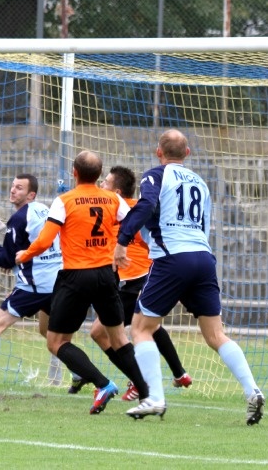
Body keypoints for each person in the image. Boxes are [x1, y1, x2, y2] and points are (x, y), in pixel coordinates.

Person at [114, 130, 265, 424]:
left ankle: (154, 398)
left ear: (159, 151)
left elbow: (145, 206)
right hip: (203, 258)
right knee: (216, 334)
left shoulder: (155, 176)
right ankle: (253, 390)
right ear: (188, 152)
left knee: (141, 328)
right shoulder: (201, 183)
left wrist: (122, 240)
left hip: (173, 258)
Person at [15, 150, 147, 415]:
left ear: (74, 172)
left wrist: (25, 254)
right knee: (119, 338)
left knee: (56, 341)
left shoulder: (64, 200)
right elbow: (134, 219)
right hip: (106, 275)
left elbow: (44, 240)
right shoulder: (113, 198)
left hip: (76, 276)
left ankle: (103, 383)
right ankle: (148, 393)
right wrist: (126, 243)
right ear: (99, 175)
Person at [68, 166, 192, 400]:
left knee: (100, 332)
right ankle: (178, 373)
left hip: (131, 281)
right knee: (148, 325)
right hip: (143, 278)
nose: (101, 186)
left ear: (116, 190)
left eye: (105, 183)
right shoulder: (131, 209)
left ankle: (140, 380)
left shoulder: (121, 209)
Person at [0, 173, 63, 393]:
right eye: (13, 186)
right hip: (56, 282)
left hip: (32, 287)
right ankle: (80, 375)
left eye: (19, 188)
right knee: (49, 332)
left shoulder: (18, 218)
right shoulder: (45, 210)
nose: (13, 190)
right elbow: (32, 246)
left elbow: (4, 259)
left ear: (31, 194)